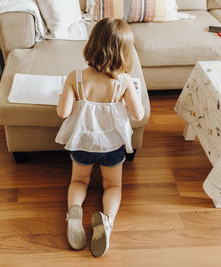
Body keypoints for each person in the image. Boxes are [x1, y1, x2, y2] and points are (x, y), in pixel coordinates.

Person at [55, 17, 145, 257]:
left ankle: (74, 211)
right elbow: (139, 114)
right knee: (113, 185)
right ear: (125, 54)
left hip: (81, 143)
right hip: (112, 146)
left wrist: (69, 95)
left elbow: (62, 112)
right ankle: (107, 221)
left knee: (79, 181)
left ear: (91, 45)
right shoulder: (124, 82)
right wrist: (129, 93)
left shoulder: (75, 77)